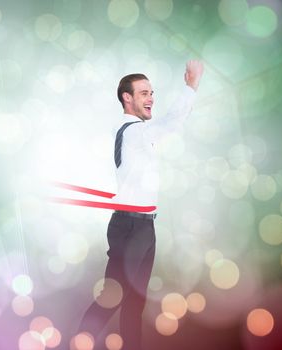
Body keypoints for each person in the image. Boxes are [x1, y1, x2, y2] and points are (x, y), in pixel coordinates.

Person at [74, 60, 204, 350]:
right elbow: (171, 123)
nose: (151, 98)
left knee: (135, 304)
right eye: (144, 93)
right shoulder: (133, 132)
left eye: (152, 93)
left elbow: (172, 123)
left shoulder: (138, 134)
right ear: (127, 98)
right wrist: (191, 86)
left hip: (144, 226)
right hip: (130, 226)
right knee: (114, 297)